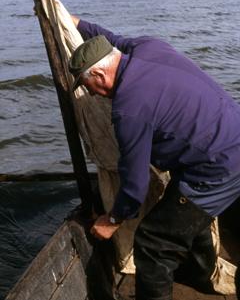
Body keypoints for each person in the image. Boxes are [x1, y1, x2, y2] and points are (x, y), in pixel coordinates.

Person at [69, 16, 240, 300]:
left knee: (153, 243)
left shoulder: (129, 109)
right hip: (230, 139)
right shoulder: (147, 47)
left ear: (99, 76)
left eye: (87, 86)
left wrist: (111, 221)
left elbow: (135, 185)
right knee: (184, 210)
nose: (90, 93)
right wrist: (75, 22)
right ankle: (198, 275)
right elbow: (108, 36)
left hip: (218, 167)